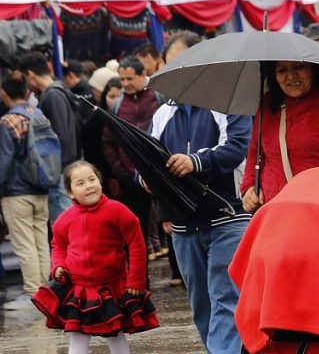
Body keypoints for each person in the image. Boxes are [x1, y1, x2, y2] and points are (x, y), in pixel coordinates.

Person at [145, 31, 253, 353]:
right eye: (169, 65)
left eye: (182, 61)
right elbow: (147, 160)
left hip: (227, 219)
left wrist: (195, 161)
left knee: (226, 302)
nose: (176, 71)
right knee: (201, 308)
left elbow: (236, 147)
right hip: (183, 227)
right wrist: (145, 181)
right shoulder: (163, 113)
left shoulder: (228, 100)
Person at [32, 161, 158, 354]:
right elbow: (58, 246)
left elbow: (136, 244)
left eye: (92, 179)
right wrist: (58, 265)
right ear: (70, 192)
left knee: (115, 333)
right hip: (80, 288)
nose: (88, 186)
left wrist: (136, 280)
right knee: (78, 335)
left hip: (112, 286)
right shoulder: (64, 219)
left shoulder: (118, 211)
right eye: (80, 183)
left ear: (100, 182)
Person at [240, 59, 319, 212]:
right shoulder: (269, 104)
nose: (291, 76)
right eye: (282, 70)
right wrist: (249, 187)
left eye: (299, 67)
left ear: (314, 68)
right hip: (277, 214)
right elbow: (255, 150)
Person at [0, 71, 51, 310]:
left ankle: (33, 294)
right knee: (41, 242)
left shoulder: (8, 121)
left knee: (25, 245)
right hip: (42, 186)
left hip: (17, 192)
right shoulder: (38, 114)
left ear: (3, 93)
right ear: (27, 93)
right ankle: (47, 291)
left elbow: (3, 160)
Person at [102, 57, 162, 243]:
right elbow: (108, 140)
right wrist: (121, 172)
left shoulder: (158, 96)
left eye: (129, 78)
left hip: (161, 171)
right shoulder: (118, 104)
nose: (125, 84)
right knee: (136, 228)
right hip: (132, 176)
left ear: (142, 75)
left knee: (169, 224)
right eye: (122, 79)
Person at [18, 52, 76, 223]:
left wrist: (53, 170)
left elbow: (61, 135)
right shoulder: (59, 90)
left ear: (30, 75)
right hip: (64, 168)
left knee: (64, 224)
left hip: (59, 170)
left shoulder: (52, 95)